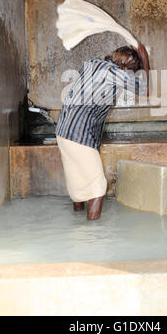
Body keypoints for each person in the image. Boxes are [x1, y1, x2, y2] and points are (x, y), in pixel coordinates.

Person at [56, 43, 150, 220]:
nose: (130, 74)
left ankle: (77, 222)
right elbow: (144, 90)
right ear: (126, 64)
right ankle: (94, 236)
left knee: (78, 183)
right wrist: (145, 60)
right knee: (98, 186)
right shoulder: (113, 73)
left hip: (63, 130)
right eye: (132, 70)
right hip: (79, 136)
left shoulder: (93, 62)